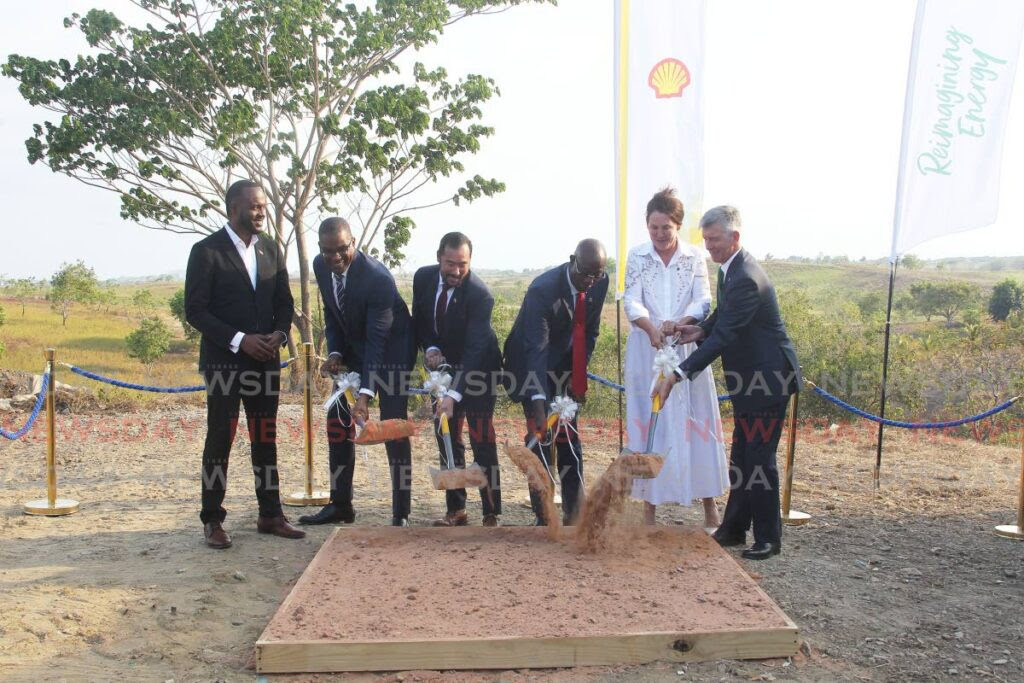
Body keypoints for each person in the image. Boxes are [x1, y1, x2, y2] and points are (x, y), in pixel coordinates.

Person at [653, 206, 800, 560]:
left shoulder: (747, 275)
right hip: (748, 381)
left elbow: (726, 336)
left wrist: (677, 374)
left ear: (735, 237)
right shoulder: (729, 270)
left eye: (715, 240)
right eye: (706, 240)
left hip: (768, 379)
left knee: (760, 459)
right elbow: (722, 319)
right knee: (742, 455)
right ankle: (734, 528)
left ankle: (768, 538)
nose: (709, 248)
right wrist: (699, 329)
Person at [184, 179, 304, 549]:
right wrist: (240, 340)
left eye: (263, 206)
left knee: (264, 438)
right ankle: (212, 520)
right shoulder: (206, 251)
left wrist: (279, 334)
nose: (261, 212)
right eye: (254, 206)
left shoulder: (270, 249)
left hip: (266, 362)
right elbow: (195, 311)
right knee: (220, 437)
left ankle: (270, 514)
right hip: (224, 364)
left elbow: (284, 302)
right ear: (232, 208)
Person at [298, 218, 416, 527]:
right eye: (327, 251)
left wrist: (365, 394)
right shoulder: (321, 266)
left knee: (392, 426)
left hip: (391, 350)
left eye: (341, 249)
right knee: (337, 420)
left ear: (354, 244)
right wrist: (335, 352)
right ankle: (341, 505)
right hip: (354, 345)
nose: (335, 258)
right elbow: (333, 315)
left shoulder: (378, 278)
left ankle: (400, 512)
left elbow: (378, 341)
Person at [623, 188, 727, 528]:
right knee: (648, 423)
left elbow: (704, 300)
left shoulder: (695, 257)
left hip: (685, 347)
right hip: (647, 349)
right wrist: (651, 327)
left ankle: (710, 505)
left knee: (696, 424)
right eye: (653, 227)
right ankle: (649, 509)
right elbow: (631, 301)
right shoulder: (637, 256)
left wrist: (683, 322)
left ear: (677, 226)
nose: (659, 234)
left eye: (665, 228)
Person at [502, 239, 609, 526]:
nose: (590, 281)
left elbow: (591, 332)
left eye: (596, 275)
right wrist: (538, 401)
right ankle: (544, 516)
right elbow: (535, 349)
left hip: (564, 361)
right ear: (572, 259)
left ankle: (574, 515)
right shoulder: (543, 290)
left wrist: (578, 377)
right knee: (541, 437)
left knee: (569, 436)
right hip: (530, 362)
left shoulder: (600, 280)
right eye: (585, 273)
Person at [411, 232, 503, 527]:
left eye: (463, 264)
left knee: (481, 437)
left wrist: (453, 395)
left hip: (479, 371)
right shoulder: (422, 279)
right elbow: (422, 323)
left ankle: (491, 511)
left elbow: (476, 350)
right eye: (451, 263)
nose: (457, 271)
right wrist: (432, 349)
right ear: (439, 257)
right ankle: (457, 510)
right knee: (447, 436)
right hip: (442, 370)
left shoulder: (480, 294)